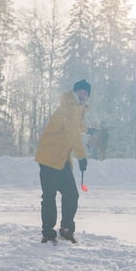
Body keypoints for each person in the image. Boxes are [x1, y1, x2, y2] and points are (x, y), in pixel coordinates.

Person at [34, 79, 90, 245]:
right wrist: (81, 156)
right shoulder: (69, 107)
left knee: (71, 194)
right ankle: (48, 233)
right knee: (50, 196)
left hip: (61, 159)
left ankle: (66, 230)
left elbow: (77, 126)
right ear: (75, 92)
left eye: (85, 93)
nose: (83, 94)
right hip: (49, 157)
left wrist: (89, 129)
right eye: (80, 91)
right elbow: (73, 132)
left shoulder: (75, 108)